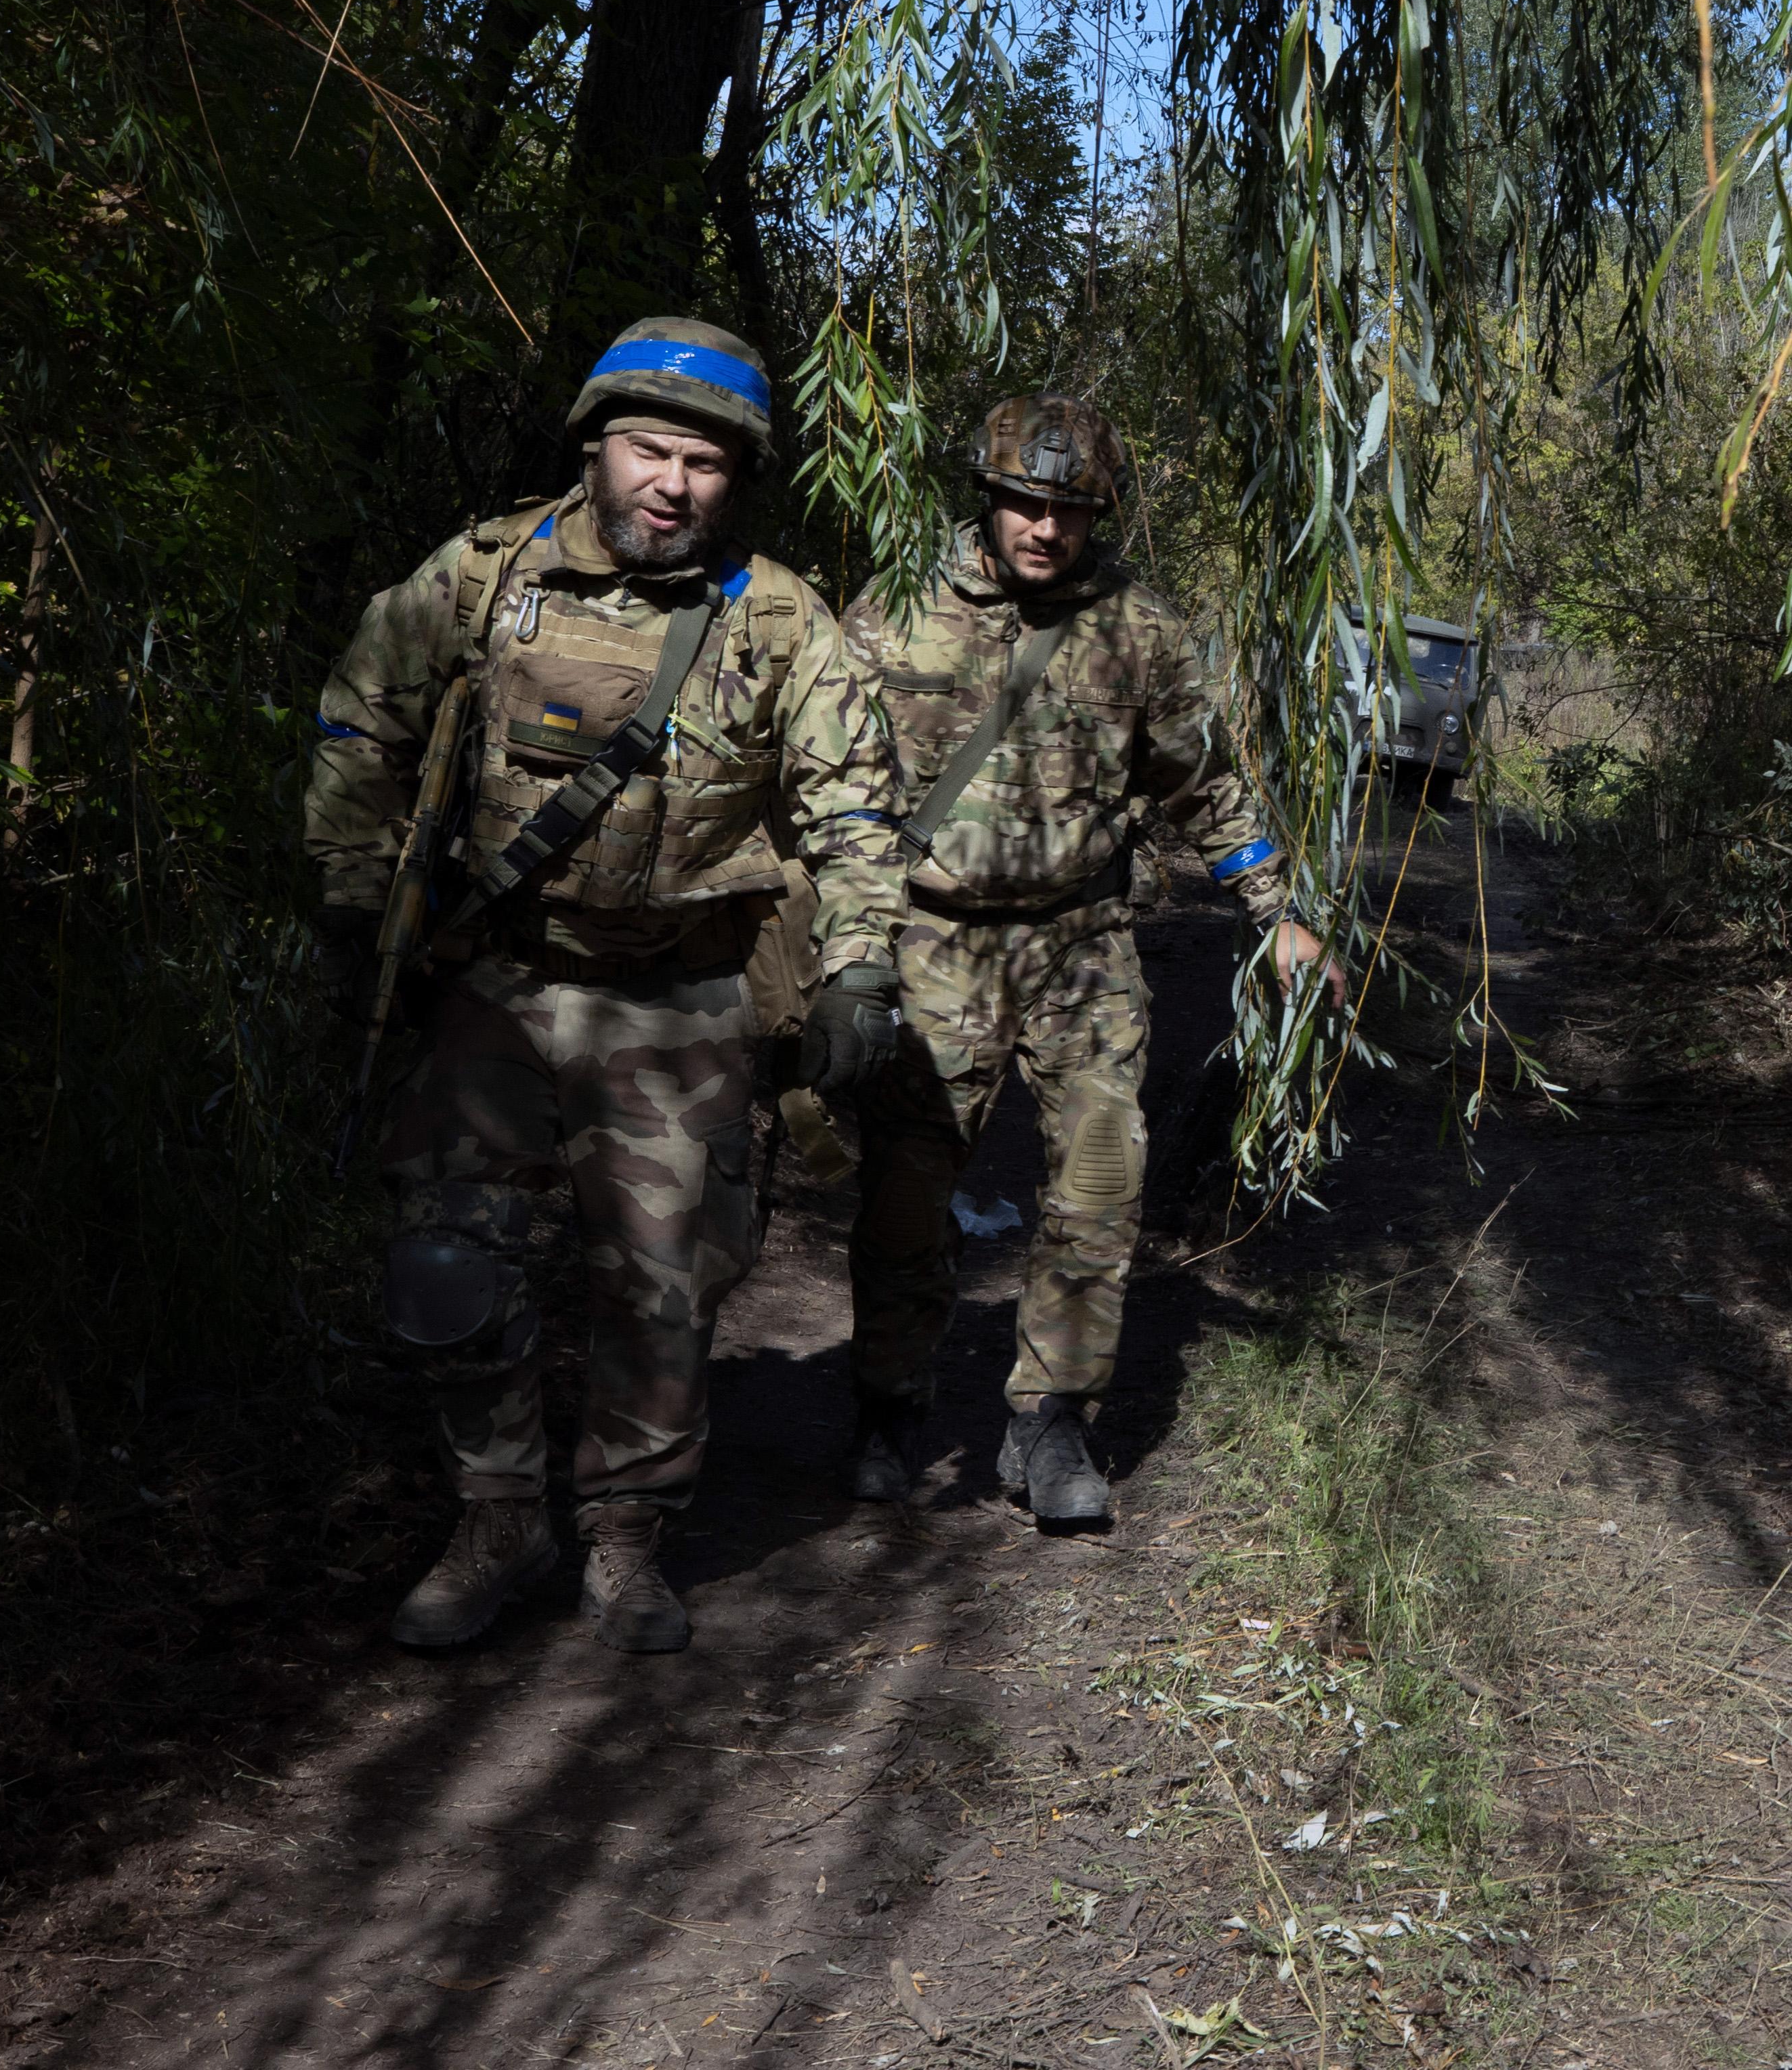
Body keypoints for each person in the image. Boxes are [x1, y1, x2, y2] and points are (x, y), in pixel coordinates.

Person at [307, 318, 906, 1654]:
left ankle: (627, 1546)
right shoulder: (483, 576)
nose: (672, 484)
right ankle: (498, 1522)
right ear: (596, 446)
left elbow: (857, 804)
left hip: (684, 1008)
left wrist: (862, 960)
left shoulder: (778, 618)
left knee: (661, 1296)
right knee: (444, 1268)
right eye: (650, 448)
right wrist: (355, 889)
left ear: (735, 478)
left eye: (704, 462)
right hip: (501, 993)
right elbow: (362, 716)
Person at [824, 391, 1330, 1529]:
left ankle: (1050, 1423)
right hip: (931, 942)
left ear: (1098, 516)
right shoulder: (890, 613)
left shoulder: (1139, 630)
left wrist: (1276, 906)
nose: (1045, 529)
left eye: (1070, 510)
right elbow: (827, 777)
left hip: (1082, 946)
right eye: (1025, 504)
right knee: (908, 1194)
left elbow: (1206, 784)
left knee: (1100, 1188)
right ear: (988, 498)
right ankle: (887, 1405)